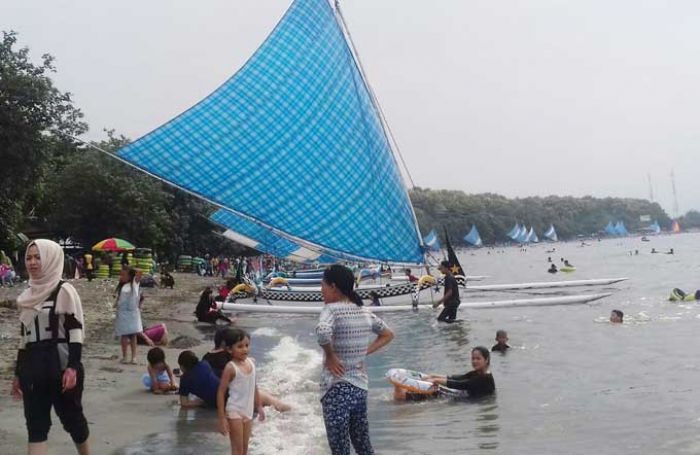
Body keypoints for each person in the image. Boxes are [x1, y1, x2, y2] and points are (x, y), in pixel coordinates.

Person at [12, 239, 90, 454]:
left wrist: (73, 367)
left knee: (72, 421)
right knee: (36, 427)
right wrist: (18, 373)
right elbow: (24, 338)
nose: (33, 262)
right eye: (29, 257)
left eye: (38, 257)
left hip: (61, 369)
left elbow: (76, 331)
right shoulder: (27, 296)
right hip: (33, 370)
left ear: (51, 259)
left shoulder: (64, 290)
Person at [316, 264, 394, 455]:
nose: (321, 290)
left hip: (337, 388)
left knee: (340, 449)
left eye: (323, 285)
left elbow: (323, 332)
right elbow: (388, 334)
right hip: (360, 388)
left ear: (333, 286)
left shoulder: (331, 310)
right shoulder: (364, 312)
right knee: (363, 445)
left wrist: (331, 356)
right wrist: (364, 352)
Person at [204, 328, 291, 412]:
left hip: (216, 396)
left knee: (267, 393)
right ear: (226, 344)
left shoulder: (207, 357)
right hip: (236, 397)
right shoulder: (225, 357)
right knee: (277, 403)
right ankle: (295, 410)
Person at [217, 328, 265, 455]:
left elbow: (254, 386)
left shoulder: (251, 362)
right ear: (229, 349)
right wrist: (222, 419)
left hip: (248, 411)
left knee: (244, 450)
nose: (245, 349)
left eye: (247, 345)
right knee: (237, 450)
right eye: (240, 346)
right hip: (234, 411)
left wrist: (259, 406)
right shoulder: (230, 368)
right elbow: (221, 393)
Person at [393, 346, 496, 401]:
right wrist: (433, 376)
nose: (474, 361)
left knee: (435, 391)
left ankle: (402, 394)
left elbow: (461, 384)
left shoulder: (485, 378)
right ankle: (403, 393)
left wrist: (436, 380)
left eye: (478, 359)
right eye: (473, 358)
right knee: (436, 389)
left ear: (486, 360)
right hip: (463, 395)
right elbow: (459, 378)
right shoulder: (477, 373)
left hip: (468, 400)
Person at [114, 267, 143, 364]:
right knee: (124, 335)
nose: (121, 277)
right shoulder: (122, 287)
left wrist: (132, 269)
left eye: (123, 275)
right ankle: (125, 356)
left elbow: (139, 273)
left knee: (133, 335)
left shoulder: (134, 284)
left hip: (132, 313)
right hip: (123, 313)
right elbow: (120, 299)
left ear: (130, 276)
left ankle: (134, 357)